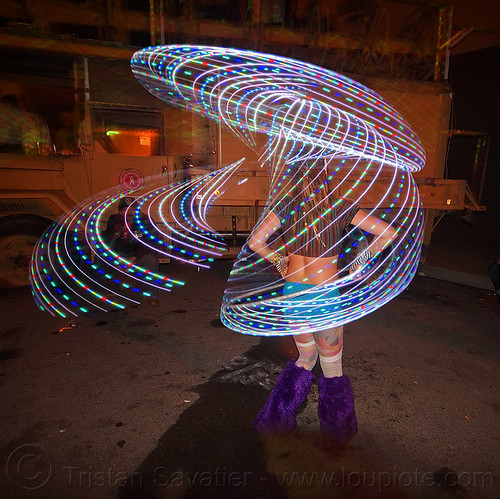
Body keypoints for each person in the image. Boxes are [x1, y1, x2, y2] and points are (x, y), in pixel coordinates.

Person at [247, 164, 397, 445]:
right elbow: (388, 233)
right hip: (323, 298)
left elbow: (256, 241)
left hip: (292, 295)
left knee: (305, 359)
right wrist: (360, 262)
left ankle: (275, 421)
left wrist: (280, 261)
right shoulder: (342, 206)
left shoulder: (285, 206)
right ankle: (337, 435)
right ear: (327, 177)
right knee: (332, 368)